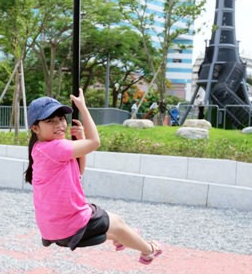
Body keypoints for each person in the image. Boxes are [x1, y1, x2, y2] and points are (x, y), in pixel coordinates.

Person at [24, 90, 162, 264]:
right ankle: (149, 250)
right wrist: (82, 106)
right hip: (70, 223)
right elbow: (95, 142)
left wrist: (80, 137)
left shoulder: (41, 148)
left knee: (116, 224)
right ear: (35, 128)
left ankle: (123, 239)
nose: (59, 124)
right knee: (118, 225)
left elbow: (78, 171)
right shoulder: (55, 147)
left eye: (61, 119)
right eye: (50, 121)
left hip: (54, 227)